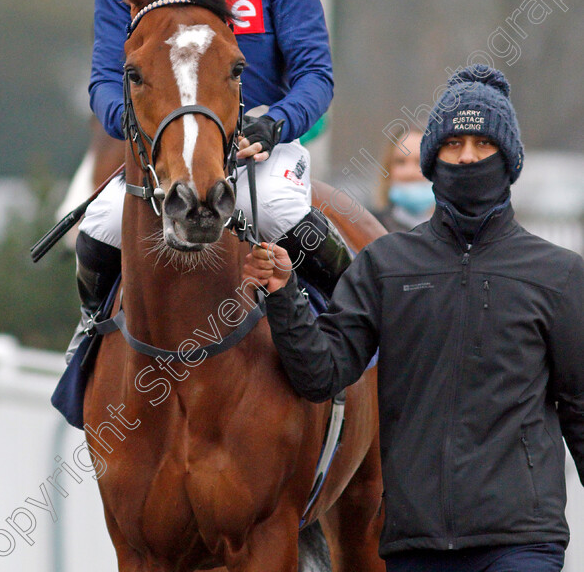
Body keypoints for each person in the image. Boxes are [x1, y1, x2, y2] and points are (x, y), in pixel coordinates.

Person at [244, 65, 584, 572]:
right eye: (452, 144)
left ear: (508, 157)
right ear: (432, 159)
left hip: (522, 542)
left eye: (482, 143)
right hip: (416, 546)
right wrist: (284, 293)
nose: (466, 156)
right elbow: (323, 373)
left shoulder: (558, 276)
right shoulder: (386, 266)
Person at [67, 0, 350, 362]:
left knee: (278, 208)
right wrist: (132, 122)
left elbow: (316, 73)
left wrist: (276, 126)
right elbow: (101, 78)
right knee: (98, 225)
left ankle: (356, 324)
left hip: (257, 149)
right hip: (160, 150)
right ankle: (90, 334)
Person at [372, 127, 434, 232]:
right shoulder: (370, 229)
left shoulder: (459, 230)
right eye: (400, 162)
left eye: (420, 161)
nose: (409, 172)